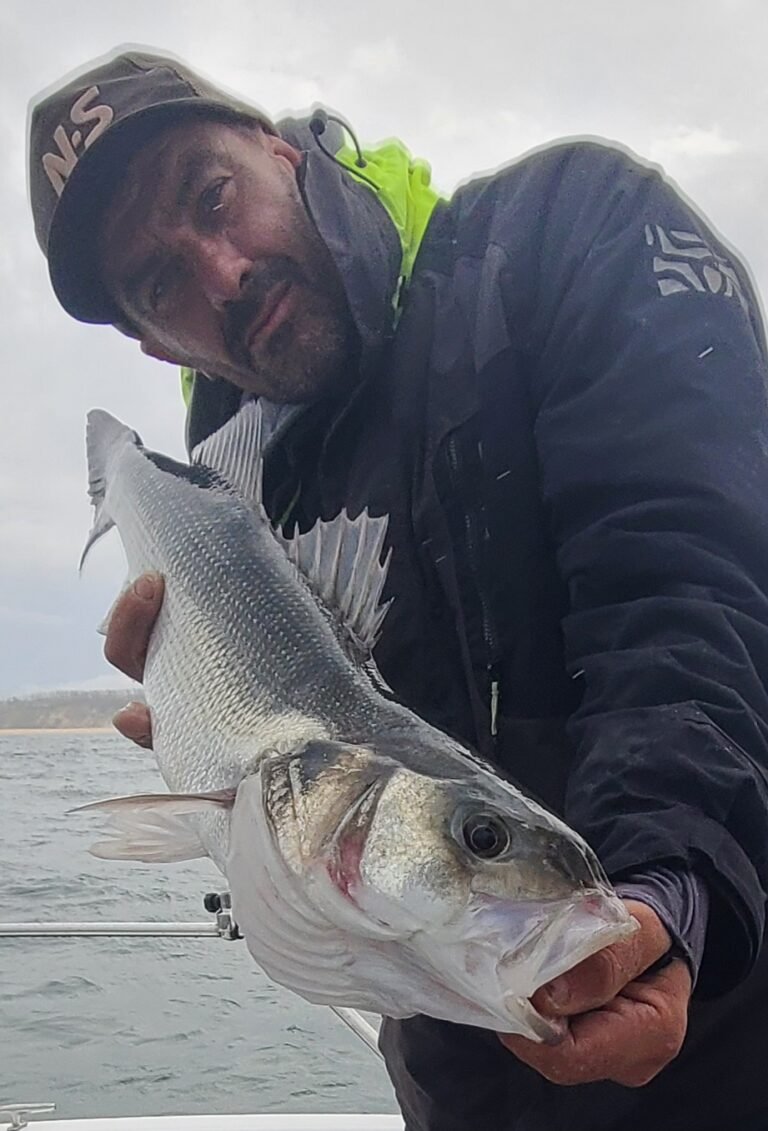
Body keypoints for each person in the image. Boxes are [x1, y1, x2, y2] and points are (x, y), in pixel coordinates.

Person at [27, 48, 768, 1131]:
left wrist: (669, 887)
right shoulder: (236, 479)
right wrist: (199, 728)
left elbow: (691, 587)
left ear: (282, 148)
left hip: (727, 1036)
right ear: (149, 340)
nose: (222, 274)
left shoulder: (569, 232)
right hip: (455, 1085)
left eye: (214, 195)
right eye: (159, 283)